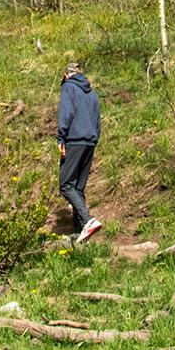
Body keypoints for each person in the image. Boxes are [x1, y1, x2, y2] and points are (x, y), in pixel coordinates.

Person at [56, 62, 104, 244]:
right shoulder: (92, 93)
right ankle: (80, 232)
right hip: (90, 142)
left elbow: (65, 113)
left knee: (66, 184)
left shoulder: (69, 87)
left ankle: (88, 220)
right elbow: (97, 120)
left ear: (67, 75)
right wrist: (93, 139)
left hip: (74, 140)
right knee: (78, 188)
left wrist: (61, 138)